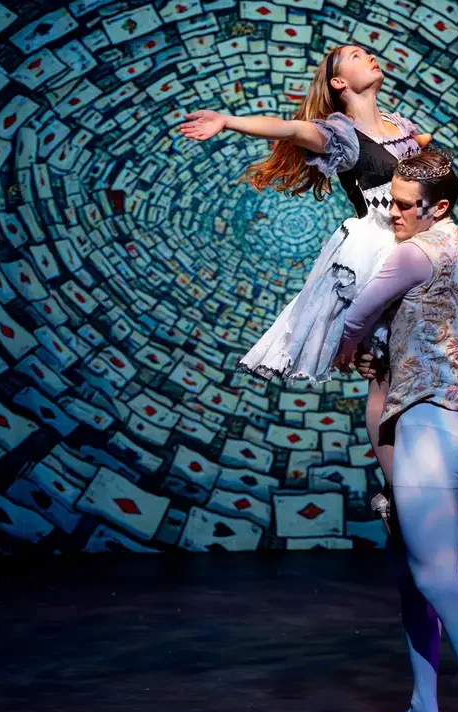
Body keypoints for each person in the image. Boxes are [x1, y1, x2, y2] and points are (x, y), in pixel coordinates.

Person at [178, 43, 431, 531]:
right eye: (356, 56)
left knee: (417, 366)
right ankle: (398, 487)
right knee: (383, 371)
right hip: (380, 254)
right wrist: (228, 121)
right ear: (338, 82)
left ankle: (418, 476)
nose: (370, 57)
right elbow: (292, 129)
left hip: (423, 252)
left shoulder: (401, 127)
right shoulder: (340, 133)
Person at [336, 150, 458, 712]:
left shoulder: (418, 250)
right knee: (413, 576)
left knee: (437, 577)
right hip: (421, 421)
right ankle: (424, 708)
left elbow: (352, 314)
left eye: (405, 205)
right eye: (389, 200)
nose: (392, 214)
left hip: (433, 426)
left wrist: (349, 345)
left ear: (437, 206)